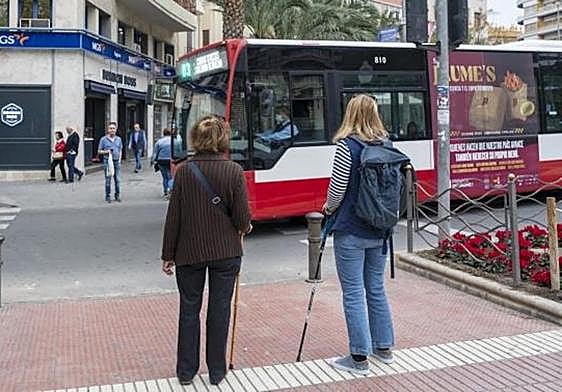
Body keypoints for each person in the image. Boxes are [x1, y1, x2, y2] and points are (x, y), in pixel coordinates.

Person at [161, 116, 252, 386]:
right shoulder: (234, 171)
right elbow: (241, 219)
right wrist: (245, 226)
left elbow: (173, 217)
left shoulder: (185, 172)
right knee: (220, 308)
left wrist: (168, 255)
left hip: (189, 253)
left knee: (189, 309)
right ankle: (216, 371)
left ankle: (186, 371)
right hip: (226, 251)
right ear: (223, 139)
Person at [323, 94, 395, 375]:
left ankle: (358, 358)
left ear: (350, 114)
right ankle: (384, 348)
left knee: (353, 292)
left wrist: (327, 208)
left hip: (351, 230)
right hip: (380, 229)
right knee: (375, 288)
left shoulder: (346, 146)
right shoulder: (387, 145)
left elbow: (337, 191)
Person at [98, 122, 123, 203]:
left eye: (113, 128)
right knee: (108, 180)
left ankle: (117, 195)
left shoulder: (118, 139)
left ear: (115, 130)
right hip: (107, 161)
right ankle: (107, 196)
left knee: (117, 180)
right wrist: (106, 151)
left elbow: (120, 149)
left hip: (116, 161)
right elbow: (99, 151)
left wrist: (119, 159)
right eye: (110, 128)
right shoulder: (103, 139)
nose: (112, 130)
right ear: (108, 130)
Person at [152, 128, 173, 198]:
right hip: (170, 160)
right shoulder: (174, 141)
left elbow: (155, 153)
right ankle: (170, 191)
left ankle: (165, 191)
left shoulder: (159, 142)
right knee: (170, 176)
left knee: (165, 177)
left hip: (161, 161)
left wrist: (153, 161)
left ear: (163, 133)